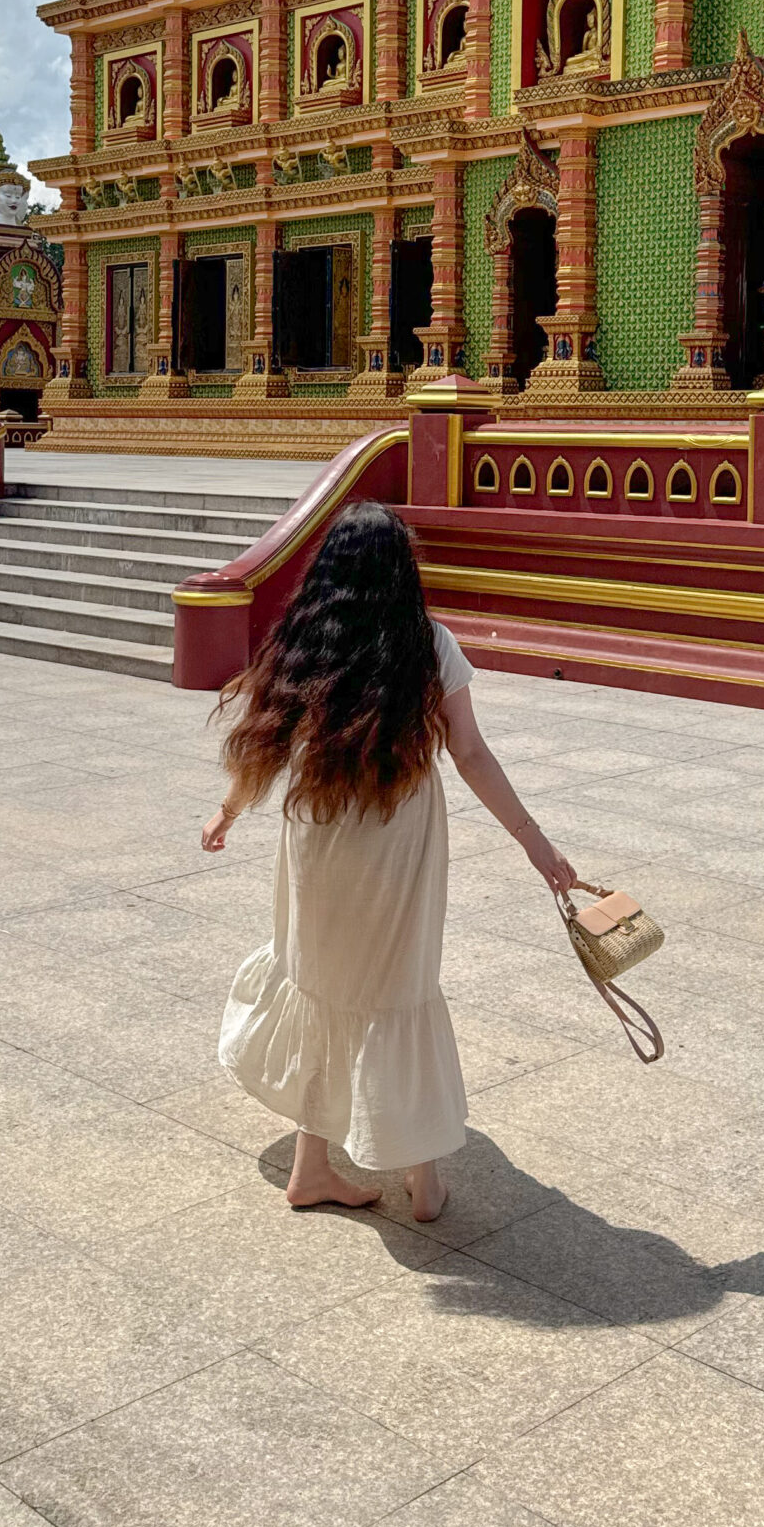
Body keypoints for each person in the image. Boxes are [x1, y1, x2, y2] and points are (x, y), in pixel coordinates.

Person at [203, 502, 576, 1224]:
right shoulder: (428, 645)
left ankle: (314, 1168)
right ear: (402, 569)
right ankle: (423, 1179)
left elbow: (266, 741)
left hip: (317, 838)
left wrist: (228, 809)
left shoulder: (307, 639)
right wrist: (534, 839)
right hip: (398, 841)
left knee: (324, 983)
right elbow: (468, 752)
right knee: (397, 990)